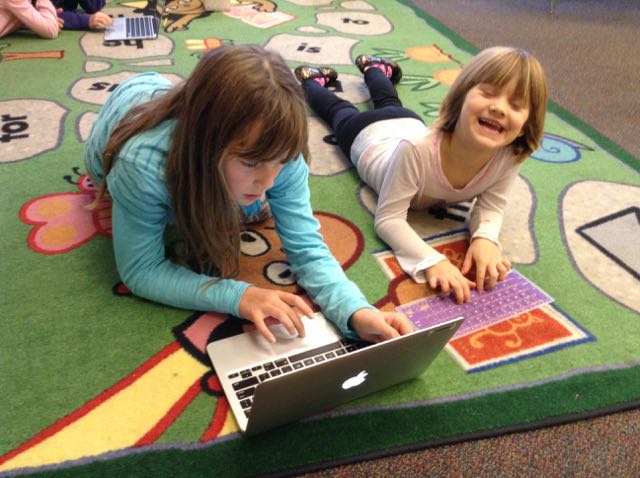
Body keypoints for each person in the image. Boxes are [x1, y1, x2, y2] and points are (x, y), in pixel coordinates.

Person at [84, 44, 413, 345]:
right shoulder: (140, 166)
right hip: (128, 107)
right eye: (251, 163)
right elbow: (141, 271)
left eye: (280, 162)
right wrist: (240, 296)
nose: (267, 183)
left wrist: (356, 310)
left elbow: (307, 248)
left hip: (182, 105)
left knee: (246, 196)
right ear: (204, 146)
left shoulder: (281, 152)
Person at [295, 46, 547, 304]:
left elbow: (492, 205)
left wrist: (485, 238)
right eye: (488, 93)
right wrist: (431, 261)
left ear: (525, 127)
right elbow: (389, 219)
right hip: (367, 137)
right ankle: (311, 81)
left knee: (389, 102)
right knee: (339, 110)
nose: (499, 108)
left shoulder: (509, 156)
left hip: (407, 122)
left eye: (516, 105)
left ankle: (373, 67)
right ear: (461, 97)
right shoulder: (415, 151)